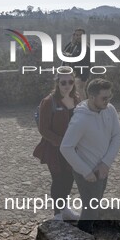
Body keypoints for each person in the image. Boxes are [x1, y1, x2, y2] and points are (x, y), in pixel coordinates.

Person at [60, 78, 120, 233]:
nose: (108, 101)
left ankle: (86, 234)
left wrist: (106, 163)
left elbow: (117, 136)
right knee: (91, 210)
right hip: (87, 172)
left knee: (94, 205)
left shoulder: (110, 109)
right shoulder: (80, 119)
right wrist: (86, 171)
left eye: (109, 97)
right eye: (104, 98)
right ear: (92, 97)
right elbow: (66, 147)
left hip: (102, 168)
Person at [33, 68, 82, 221]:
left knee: (70, 177)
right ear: (57, 83)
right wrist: (62, 143)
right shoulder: (49, 102)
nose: (67, 85)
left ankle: (65, 208)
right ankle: (58, 213)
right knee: (58, 179)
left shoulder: (76, 100)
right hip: (55, 149)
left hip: (73, 148)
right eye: (63, 82)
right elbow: (43, 129)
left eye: (70, 82)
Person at [61, 28, 91, 100]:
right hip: (75, 73)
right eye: (76, 35)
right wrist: (72, 42)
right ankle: (82, 108)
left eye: (80, 35)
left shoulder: (85, 47)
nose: (78, 36)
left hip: (81, 74)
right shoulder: (76, 45)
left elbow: (87, 63)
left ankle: (85, 109)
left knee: (80, 91)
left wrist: (84, 77)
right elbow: (65, 51)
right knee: (77, 92)